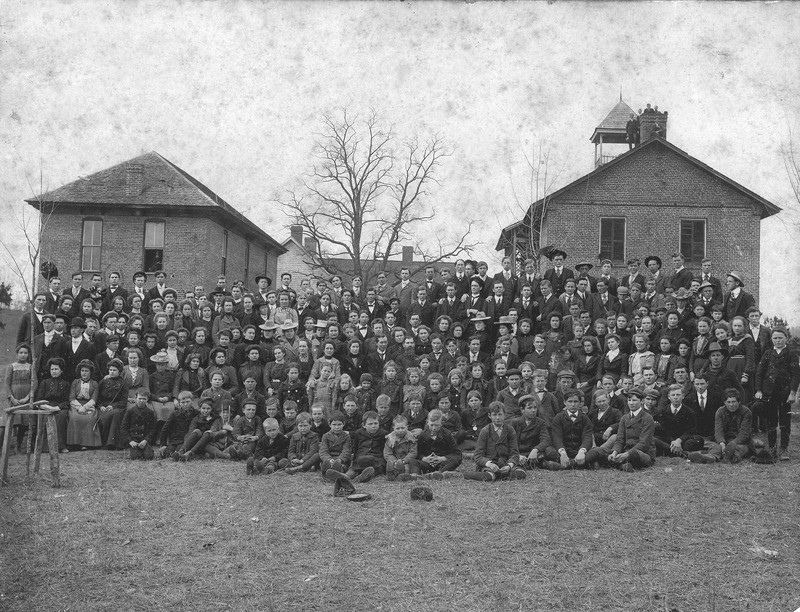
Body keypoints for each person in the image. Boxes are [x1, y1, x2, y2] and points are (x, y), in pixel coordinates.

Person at [752, 328, 799, 461]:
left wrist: (792, 393)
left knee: (785, 422)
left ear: (786, 338)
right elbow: (760, 373)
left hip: (784, 394)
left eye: (780, 338)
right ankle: (772, 447)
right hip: (769, 394)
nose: (777, 340)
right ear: (771, 339)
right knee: (771, 421)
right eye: (775, 338)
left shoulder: (791, 354)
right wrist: (759, 390)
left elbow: (796, 375)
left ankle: (784, 448)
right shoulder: (768, 353)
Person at [463, 402, 526, 481]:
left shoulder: (510, 430)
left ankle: (498, 475)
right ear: (489, 416)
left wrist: (509, 465)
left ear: (505, 415)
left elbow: (514, 452)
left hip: (505, 463)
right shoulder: (485, 431)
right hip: (490, 464)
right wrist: (489, 464)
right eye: (494, 415)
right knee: (488, 475)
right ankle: (490, 475)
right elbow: (478, 455)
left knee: (521, 473)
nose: (497, 418)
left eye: (500, 414)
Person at [689, 388, 753, 464]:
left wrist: (732, 444)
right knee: (716, 447)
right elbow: (718, 430)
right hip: (725, 439)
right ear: (724, 402)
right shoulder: (720, 411)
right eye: (728, 402)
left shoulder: (746, 412)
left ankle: (731, 457)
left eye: (734, 402)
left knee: (740, 449)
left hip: (739, 441)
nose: (731, 405)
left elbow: (744, 433)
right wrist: (722, 443)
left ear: (739, 402)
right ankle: (710, 458)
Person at [607, 388, 656, 471]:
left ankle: (620, 465)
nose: (631, 403)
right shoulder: (624, 418)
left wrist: (627, 454)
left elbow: (644, 443)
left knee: (635, 454)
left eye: (634, 400)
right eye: (629, 400)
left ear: (642, 401)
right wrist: (615, 452)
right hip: (626, 451)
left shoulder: (647, 418)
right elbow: (620, 439)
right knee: (606, 452)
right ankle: (623, 464)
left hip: (643, 453)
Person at [652, 384, 703, 457]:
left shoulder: (689, 411)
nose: (675, 397)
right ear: (669, 397)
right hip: (668, 440)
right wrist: (673, 441)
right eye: (673, 395)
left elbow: (691, 430)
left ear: (683, 396)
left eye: (678, 395)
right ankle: (683, 453)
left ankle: (670, 451)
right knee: (654, 439)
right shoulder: (662, 412)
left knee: (698, 440)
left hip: (683, 440)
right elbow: (663, 430)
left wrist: (679, 441)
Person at [511, 394, 559, 470]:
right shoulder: (515, 423)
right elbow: (511, 442)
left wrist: (535, 450)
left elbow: (545, 439)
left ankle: (534, 463)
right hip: (521, 453)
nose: (533, 410)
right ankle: (542, 464)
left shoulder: (540, 422)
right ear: (522, 410)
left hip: (536, 452)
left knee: (551, 453)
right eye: (529, 408)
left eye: (535, 407)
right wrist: (518, 455)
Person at [413, 409, 462, 478]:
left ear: (441, 423)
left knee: (455, 459)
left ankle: (439, 473)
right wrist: (425, 458)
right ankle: (416, 476)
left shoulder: (447, 434)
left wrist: (442, 458)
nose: (434, 428)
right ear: (427, 422)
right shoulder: (423, 435)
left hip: (442, 463)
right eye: (431, 425)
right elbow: (419, 453)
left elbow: (456, 452)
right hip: (427, 463)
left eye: (437, 425)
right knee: (413, 461)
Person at [67, 359, 101, 449]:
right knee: (74, 417)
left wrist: (85, 407)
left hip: (89, 405)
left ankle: (87, 444)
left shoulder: (94, 384)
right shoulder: (75, 382)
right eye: (82, 371)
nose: (84, 373)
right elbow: (71, 398)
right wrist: (79, 407)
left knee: (90, 418)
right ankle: (75, 443)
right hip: (76, 404)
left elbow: (94, 399)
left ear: (90, 372)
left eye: (86, 371)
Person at [120, 390, 157, 460]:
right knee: (136, 457)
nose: (142, 401)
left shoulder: (150, 412)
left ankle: (147, 449)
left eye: (144, 399)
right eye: (140, 398)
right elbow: (123, 428)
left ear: (147, 399)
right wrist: (130, 441)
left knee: (149, 456)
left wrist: (146, 440)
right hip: (134, 440)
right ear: (135, 398)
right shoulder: (130, 411)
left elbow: (152, 429)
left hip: (144, 440)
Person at [319, 411, 352, 481]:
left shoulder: (346, 437)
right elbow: (323, 450)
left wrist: (340, 460)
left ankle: (337, 472)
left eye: (339, 424)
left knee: (343, 466)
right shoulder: (325, 436)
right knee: (325, 463)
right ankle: (326, 474)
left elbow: (346, 451)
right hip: (330, 458)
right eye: (334, 424)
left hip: (341, 460)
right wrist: (329, 459)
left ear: (343, 424)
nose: (337, 427)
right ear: (329, 424)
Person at [383, 414, 418, 481]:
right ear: (393, 428)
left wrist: (404, 461)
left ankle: (401, 476)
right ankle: (391, 475)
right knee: (391, 467)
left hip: (406, 461)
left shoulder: (411, 438)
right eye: (398, 428)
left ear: (407, 427)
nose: (400, 430)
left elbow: (413, 452)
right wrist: (394, 462)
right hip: (394, 461)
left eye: (402, 428)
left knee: (406, 469)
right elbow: (387, 453)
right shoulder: (390, 439)